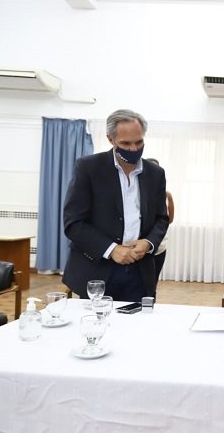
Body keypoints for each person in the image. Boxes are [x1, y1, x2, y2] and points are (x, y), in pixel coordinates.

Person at [62, 109, 169, 302]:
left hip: (140, 271)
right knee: (97, 320)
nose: (133, 149)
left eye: (139, 142)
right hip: (97, 270)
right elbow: (74, 223)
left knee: (137, 320)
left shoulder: (155, 174)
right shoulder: (88, 168)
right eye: (125, 143)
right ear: (110, 139)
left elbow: (161, 218)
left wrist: (148, 243)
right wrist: (112, 249)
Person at [148, 158, 174, 291]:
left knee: (153, 281)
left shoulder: (166, 195)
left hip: (159, 246)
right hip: (139, 247)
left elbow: (169, 219)